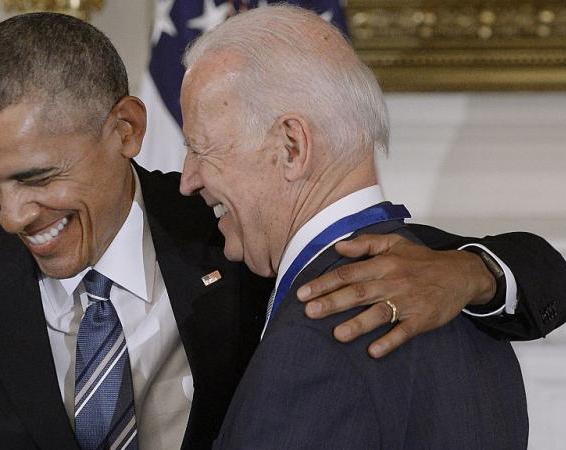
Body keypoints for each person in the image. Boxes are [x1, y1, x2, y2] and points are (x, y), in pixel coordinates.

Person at [0, 12, 566, 450]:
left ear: (126, 129)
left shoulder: (237, 235)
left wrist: (472, 272)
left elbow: (537, 272)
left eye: (37, 177)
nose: (13, 215)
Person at [178, 5, 538, 448]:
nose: (187, 180)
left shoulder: (316, 341)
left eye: (201, 149)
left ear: (292, 146)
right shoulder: (472, 312)